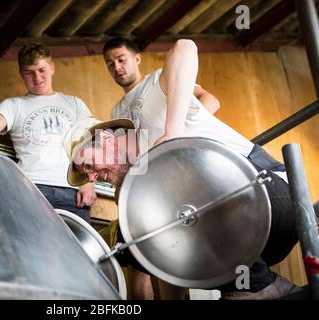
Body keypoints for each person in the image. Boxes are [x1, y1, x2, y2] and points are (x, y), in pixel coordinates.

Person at [62, 39, 300, 300]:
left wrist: (173, 132)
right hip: (251, 243)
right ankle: (259, 287)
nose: (93, 177)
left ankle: (257, 288)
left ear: (105, 138)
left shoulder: (154, 96)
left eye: (89, 165)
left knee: (178, 196)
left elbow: (185, 47)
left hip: (272, 196)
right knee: (137, 237)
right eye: (88, 175)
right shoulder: (142, 174)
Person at [105, 37, 221, 299]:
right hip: (144, 190)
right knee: (140, 266)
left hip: (174, 179)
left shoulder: (159, 78)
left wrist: (183, 132)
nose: (117, 67)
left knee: (172, 259)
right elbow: (127, 155)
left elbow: (209, 99)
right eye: (110, 64)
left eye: (121, 59)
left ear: (136, 58)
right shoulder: (116, 109)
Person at [0, 43, 96, 222]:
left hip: (71, 192)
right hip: (29, 188)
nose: (37, 77)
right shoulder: (14, 105)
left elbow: (92, 142)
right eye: (29, 72)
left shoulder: (74, 103)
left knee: (76, 249)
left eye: (41, 70)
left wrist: (89, 182)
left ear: (52, 68)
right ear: (21, 74)